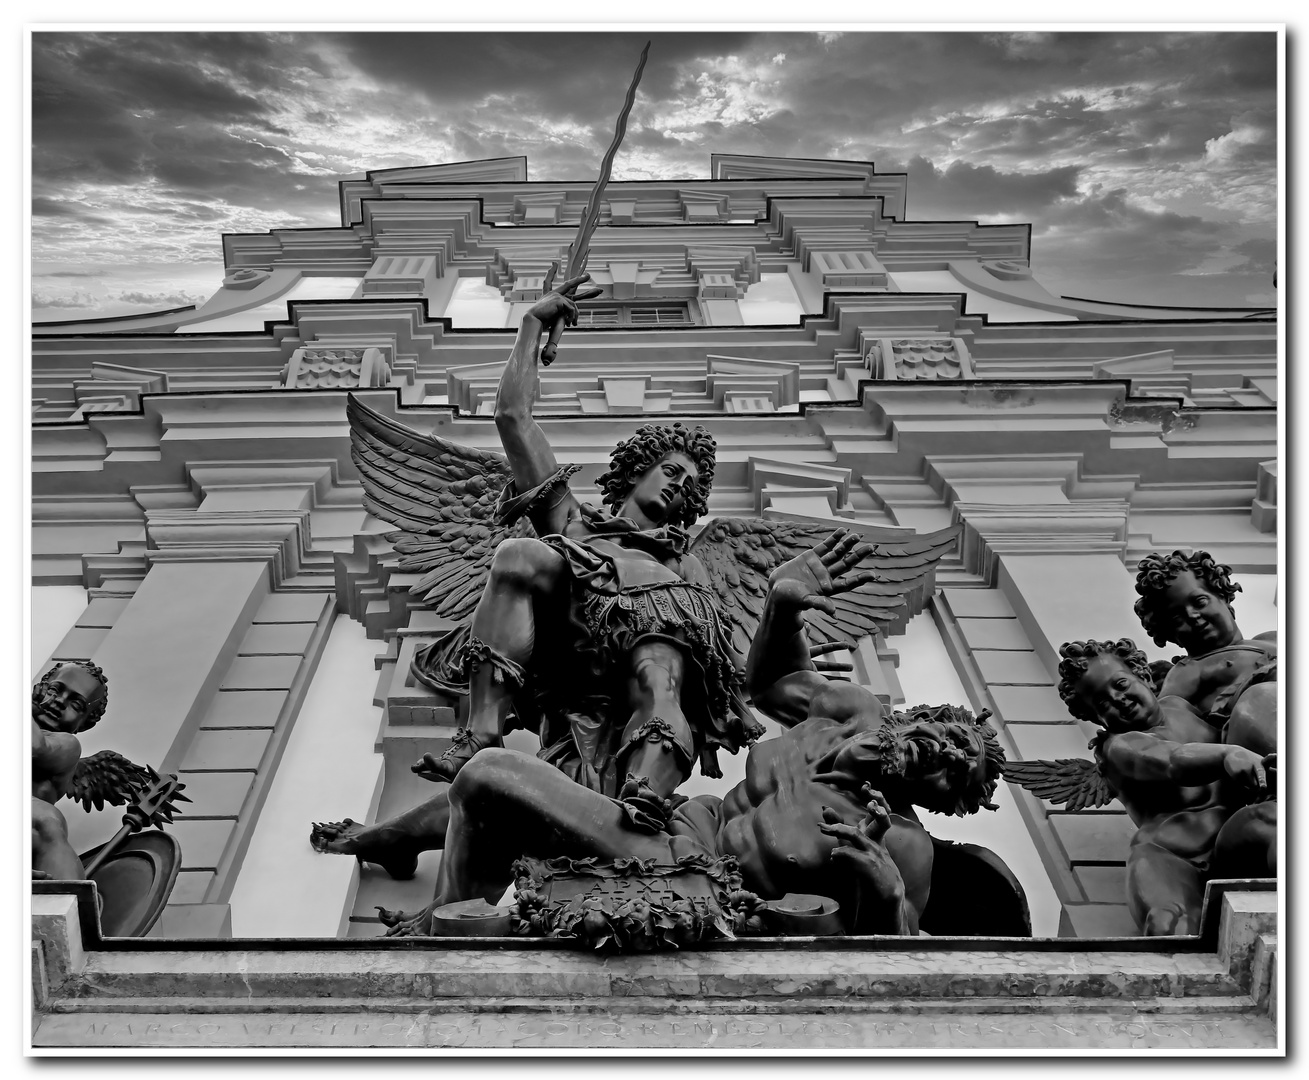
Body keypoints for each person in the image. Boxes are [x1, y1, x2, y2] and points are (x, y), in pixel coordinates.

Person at [374, 533, 1007, 937]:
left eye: (958, 772)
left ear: (942, 800)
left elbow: (903, 960)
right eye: (955, 738)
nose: (946, 754)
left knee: (491, 777)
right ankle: (444, 915)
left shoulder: (902, 843)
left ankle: (443, 925)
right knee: (499, 782)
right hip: (670, 827)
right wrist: (783, 609)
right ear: (924, 715)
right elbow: (772, 681)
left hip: (697, 875)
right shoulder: (851, 712)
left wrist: (888, 893)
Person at [409, 273, 761, 824]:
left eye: (690, 485)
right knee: (519, 554)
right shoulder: (572, 522)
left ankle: (642, 802)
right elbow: (512, 420)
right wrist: (531, 327)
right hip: (576, 643)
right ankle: (480, 732)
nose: (678, 485)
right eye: (671, 470)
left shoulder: (685, 561)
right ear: (637, 470)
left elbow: (720, 650)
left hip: (650, 644)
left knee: (663, 674)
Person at [1055, 638, 1275, 935]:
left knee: (1272, 821)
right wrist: (1229, 754)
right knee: (1171, 926)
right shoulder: (1119, 747)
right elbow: (1174, 761)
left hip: (1229, 836)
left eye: (1120, 684)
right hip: (1170, 857)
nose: (1117, 698)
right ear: (1097, 718)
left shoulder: (1183, 707)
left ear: (1143, 676)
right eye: (1103, 702)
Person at [1134, 550, 1276, 753]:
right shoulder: (1189, 670)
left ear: (1222, 596)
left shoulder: (1271, 639)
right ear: (1170, 634)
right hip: (1256, 731)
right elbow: (1165, 721)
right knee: (1257, 698)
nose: (1192, 615)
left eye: (1199, 602)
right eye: (1176, 618)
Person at [31, 661, 109, 880]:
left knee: (46, 820)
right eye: (55, 690)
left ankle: (60, 900)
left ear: (84, 724)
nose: (59, 703)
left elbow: (33, 747)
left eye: (76, 705)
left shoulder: (66, 743)